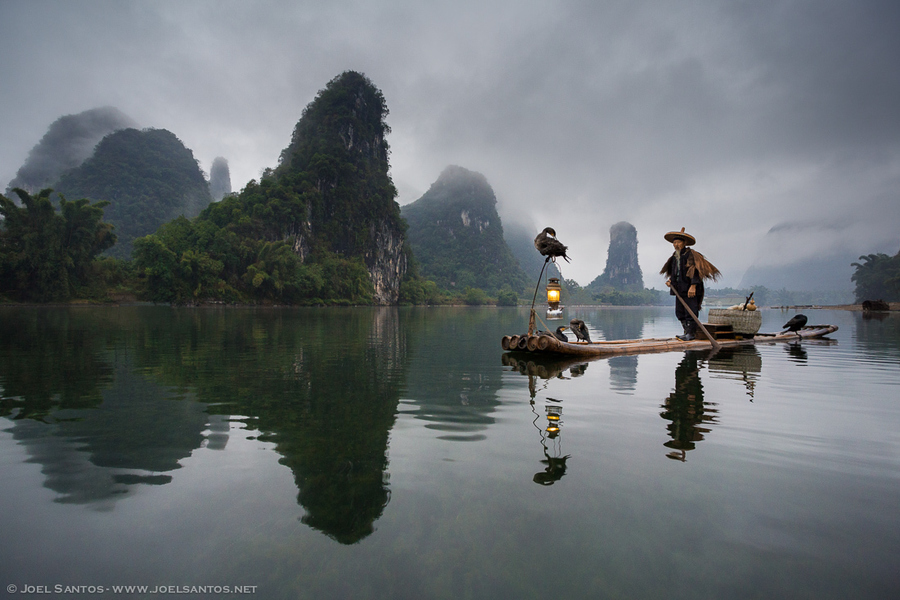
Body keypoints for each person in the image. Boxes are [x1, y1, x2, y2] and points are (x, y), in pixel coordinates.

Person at [660, 227, 720, 341]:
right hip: (679, 289)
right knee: (679, 312)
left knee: (691, 311)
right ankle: (686, 332)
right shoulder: (675, 257)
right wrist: (671, 281)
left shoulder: (691, 255)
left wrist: (693, 286)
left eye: (678, 242)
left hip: (690, 289)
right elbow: (674, 273)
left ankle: (691, 334)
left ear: (684, 243)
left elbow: (696, 271)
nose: (676, 245)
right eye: (674, 242)